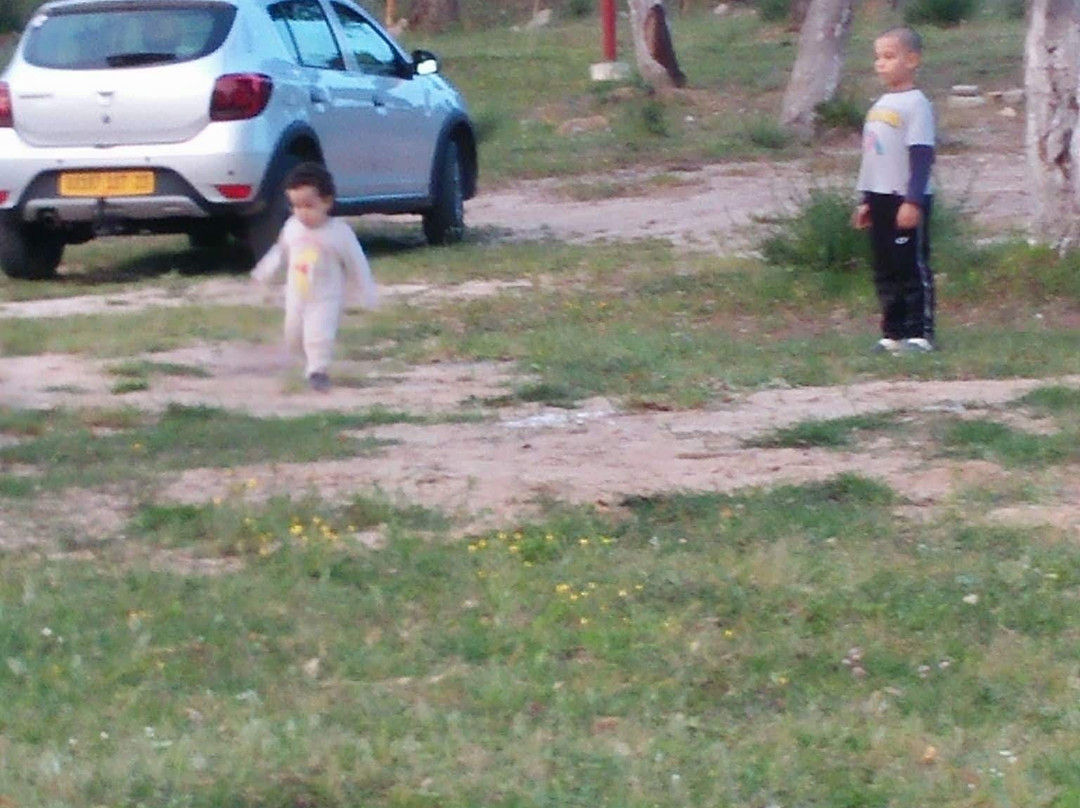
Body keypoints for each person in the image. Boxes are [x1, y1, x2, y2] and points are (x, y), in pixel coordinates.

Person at [252, 162, 378, 392]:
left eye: (309, 205)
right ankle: (308, 363)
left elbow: (357, 263)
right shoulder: (292, 227)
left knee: (319, 334)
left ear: (327, 202)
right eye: (296, 206)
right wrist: (264, 272)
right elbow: (280, 252)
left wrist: (367, 293)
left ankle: (318, 370)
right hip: (296, 294)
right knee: (293, 335)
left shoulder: (339, 233)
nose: (302, 213)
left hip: (326, 296)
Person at [852, 26, 935, 354]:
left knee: (910, 265)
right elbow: (872, 157)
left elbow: (922, 154)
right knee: (885, 267)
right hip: (880, 196)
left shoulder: (917, 105)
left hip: (905, 198)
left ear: (912, 60)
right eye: (878, 57)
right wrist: (865, 200)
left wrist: (913, 199)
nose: (880, 64)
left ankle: (920, 333)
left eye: (889, 56)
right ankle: (893, 333)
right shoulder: (880, 104)